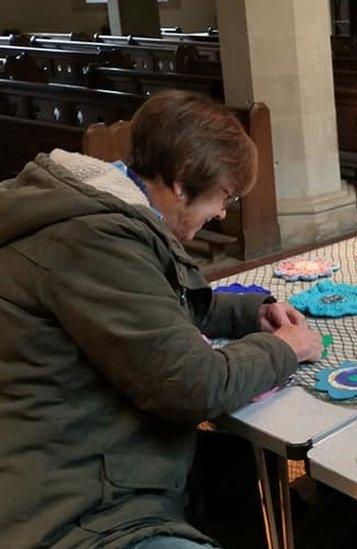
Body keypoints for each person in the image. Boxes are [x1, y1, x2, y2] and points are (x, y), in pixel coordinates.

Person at [0, 90, 323, 548]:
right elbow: (192, 384)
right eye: (223, 197)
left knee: (238, 463)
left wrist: (252, 313)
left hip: (77, 455)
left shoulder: (100, 210)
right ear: (182, 181)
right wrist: (285, 348)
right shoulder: (96, 239)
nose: (222, 213)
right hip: (73, 504)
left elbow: (158, 305)